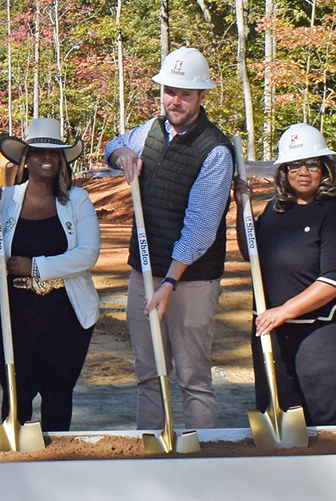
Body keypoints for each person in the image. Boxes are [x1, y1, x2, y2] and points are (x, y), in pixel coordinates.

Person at [102, 47, 234, 431]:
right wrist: (122, 153)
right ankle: (153, 454)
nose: (174, 101)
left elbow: (200, 229)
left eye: (185, 94)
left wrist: (170, 282)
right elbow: (113, 145)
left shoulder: (215, 151)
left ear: (202, 96)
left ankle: (199, 456)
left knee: (193, 379)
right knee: (149, 373)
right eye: (169, 91)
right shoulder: (151, 131)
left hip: (191, 281)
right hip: (144, 273)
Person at [0, 117, 100, 431]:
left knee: (58, 395)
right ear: (26, 159)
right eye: (39, 152)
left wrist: (36, 267)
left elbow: (88, 254)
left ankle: (58, 457)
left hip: (65, 314)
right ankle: (15, 457)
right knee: (16, 396)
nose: (47, 158)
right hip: (13, 313)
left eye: (54, 152)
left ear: (62, 160)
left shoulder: (78, 201)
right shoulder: (5, 200)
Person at [246, 123, 336, 426]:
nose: (303, 172)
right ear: (284, 171)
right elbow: (252, 253)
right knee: (276, 418)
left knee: (319, 421)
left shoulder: (335, 212)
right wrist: (241, 206)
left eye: (312, 164)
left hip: (321, 330)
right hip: (273, 327)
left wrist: (284, 311)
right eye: (294, 165)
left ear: (325, 169)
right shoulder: (274, 209)